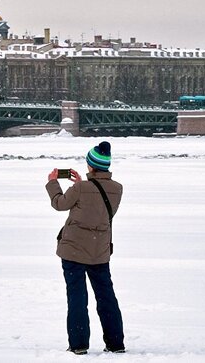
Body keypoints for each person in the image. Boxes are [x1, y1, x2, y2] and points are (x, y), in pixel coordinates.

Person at [46, 141, 125, 355]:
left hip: (73, 251)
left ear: (91, 165)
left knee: (77, 297)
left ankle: (79, 344)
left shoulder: (81, 189)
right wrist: (82, 184)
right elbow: (96, 206)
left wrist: (53, 183)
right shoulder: (117, 189)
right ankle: (116, 343)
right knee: (106, 296)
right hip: (100, 252)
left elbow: (59, 204)